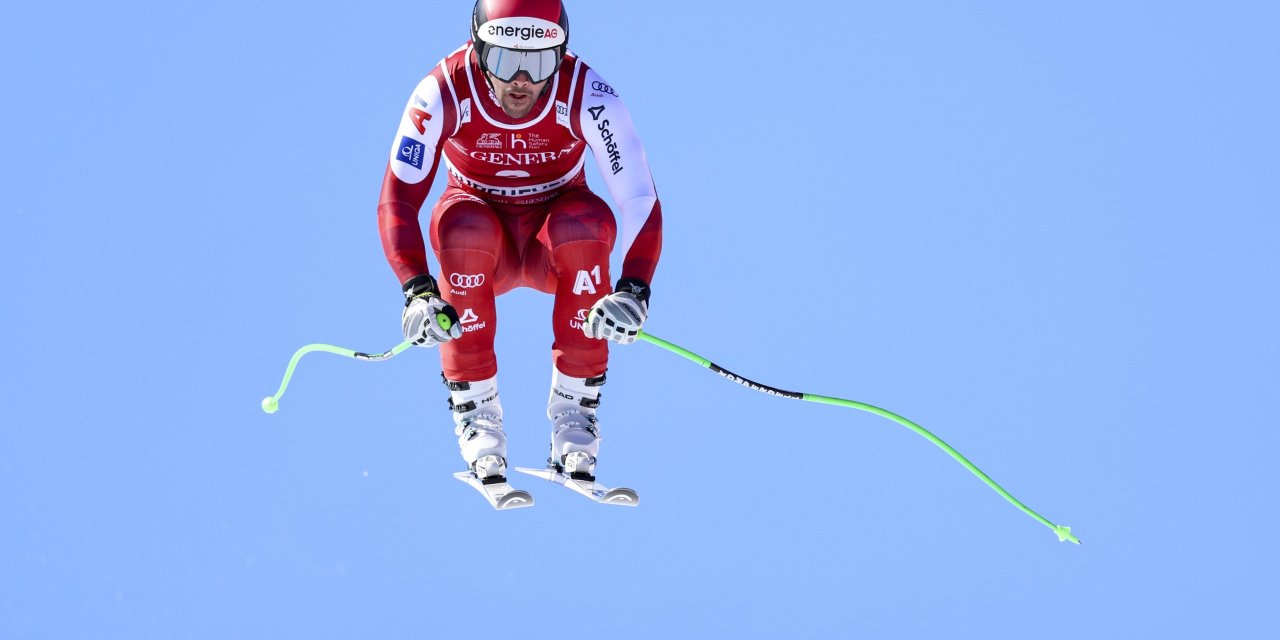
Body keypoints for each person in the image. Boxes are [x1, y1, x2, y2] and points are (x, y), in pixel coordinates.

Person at [377, 0, 663, 488]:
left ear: (563, 53)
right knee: (464, 226)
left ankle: (575, 417)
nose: (523, 82)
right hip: (479, 242)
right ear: (478, 46)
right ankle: (477, 416)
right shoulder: (443, 90)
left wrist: (634, 289)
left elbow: (638, 198)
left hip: (555, 244)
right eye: (506, 61)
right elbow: (397, 200)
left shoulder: (588, 94)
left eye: (541, 61)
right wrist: (418, 290)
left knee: (586, 221)